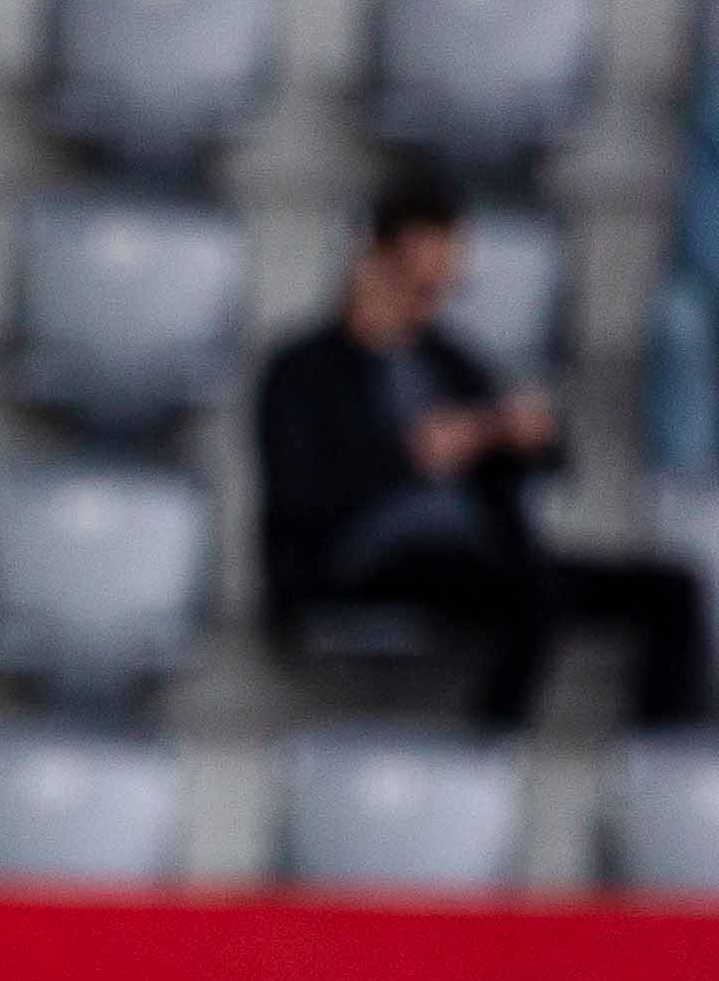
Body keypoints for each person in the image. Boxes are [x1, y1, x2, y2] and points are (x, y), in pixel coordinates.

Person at [255, 166, 710, 729]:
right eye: (419, 283)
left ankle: (663, 770)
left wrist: (527, 436)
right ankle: (489, 755)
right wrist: (408, 455)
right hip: (365, 557)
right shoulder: (301, 371)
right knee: (529, 588)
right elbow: (298, 499)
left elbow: (545, 458)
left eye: (444, 285)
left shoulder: (449, 360)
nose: (431, 300)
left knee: (669, 590)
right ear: (370, 259)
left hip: (477, 554)